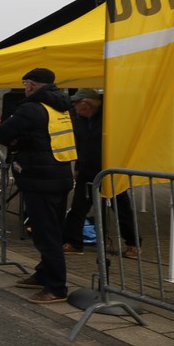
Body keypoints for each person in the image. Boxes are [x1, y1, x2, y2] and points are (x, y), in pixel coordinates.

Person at [0, 67, 77, 304]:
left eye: (25, 84)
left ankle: (56, 287)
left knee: (45, 234)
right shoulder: (63, 107)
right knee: (53, 230)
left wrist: (20, 139)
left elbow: (2, 133)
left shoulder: (31, 109)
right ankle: (43, 274)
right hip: (60, 174)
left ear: (30, 85)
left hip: (39, 178)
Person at [62, 88, 139, 259]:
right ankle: (74, 242)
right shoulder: (81, 120)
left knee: (121, 207)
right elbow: (81, 145)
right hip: (87, 169)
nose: (74, 107)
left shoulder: (109, 118)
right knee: (78, 207)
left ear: (87, 104)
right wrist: (78, 167)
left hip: (110, 169)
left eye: (76, 103)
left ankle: (133, 243)